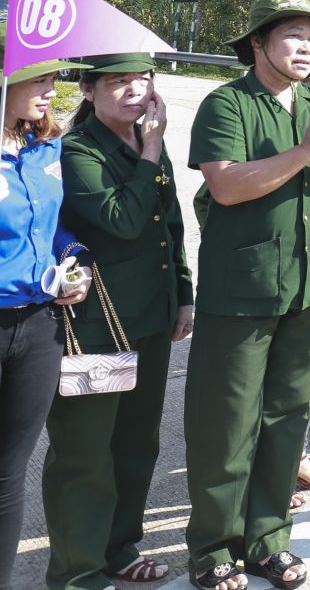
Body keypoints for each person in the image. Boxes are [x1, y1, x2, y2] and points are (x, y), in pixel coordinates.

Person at [185, 0, 310, 590]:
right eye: (293, 35)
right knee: (226, 426)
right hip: (241, 290)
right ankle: (214, 549)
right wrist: (306, 151)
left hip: (308, 286)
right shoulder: (228, 105)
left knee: (285, 421)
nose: (306, 46)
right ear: (257, 43)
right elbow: (226, 186)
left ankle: (269, 539)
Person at [45, 54, 193, 589]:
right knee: (85, 453)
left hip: (150, 315)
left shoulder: (144, 144)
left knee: (136, 443)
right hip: (95, 325)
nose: (135, 90)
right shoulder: (77, 150)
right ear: (88, 89)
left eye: (142, 79)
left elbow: (168, 224)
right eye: (117, 81)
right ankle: (77, 572)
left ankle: (119, 547)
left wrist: (183, 295)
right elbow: (123, 221)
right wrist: (151, 149)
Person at [1, 57, 92, 590]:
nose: (49, 90)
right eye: (37, 78)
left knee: (9, 475)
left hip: (38, 328)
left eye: (52, 79)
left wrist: (74, 262)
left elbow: (57, 226)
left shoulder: (47, 149)